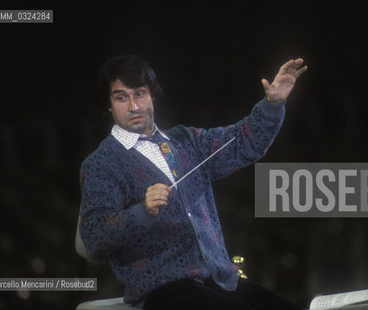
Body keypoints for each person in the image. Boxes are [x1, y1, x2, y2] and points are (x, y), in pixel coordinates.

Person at [79, 55, 307, 309]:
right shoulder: (101, 164)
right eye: (121, 97)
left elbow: (245, 142)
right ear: (108, 105)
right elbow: (94, 236)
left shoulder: (186, 140)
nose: (134, 106)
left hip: (220, 279)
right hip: (162, 288)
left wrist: (273, 104)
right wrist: (141, 212)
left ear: (152, 95)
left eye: (140, 94)